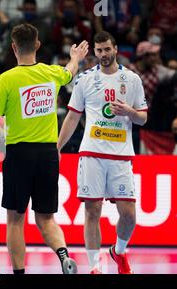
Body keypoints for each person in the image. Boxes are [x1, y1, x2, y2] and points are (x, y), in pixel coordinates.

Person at [0, 23, 88, 274]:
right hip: (48, 154)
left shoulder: (6, 79)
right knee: (46, 218)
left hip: (19, 153)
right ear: (38, 45)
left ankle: (19, 272)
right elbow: (69, 72)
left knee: (15, 219)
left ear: (13, 47)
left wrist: (4, 135)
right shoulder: (51, 73)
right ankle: (63, 255)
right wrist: (76, 58)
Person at [57, 31, 148, 274]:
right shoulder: (85, 79)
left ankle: (117, 251)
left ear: (116, 49)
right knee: (92, 210)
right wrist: (57, 147)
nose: (103, 55)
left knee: (129, 216)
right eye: (99, 51)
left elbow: (143, 118)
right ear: (94, 53)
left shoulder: (132, 80)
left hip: (121, 155)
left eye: (107, 49)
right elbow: (73, 116)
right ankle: (95, 266)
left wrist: (129, 111)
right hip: (92, 154)